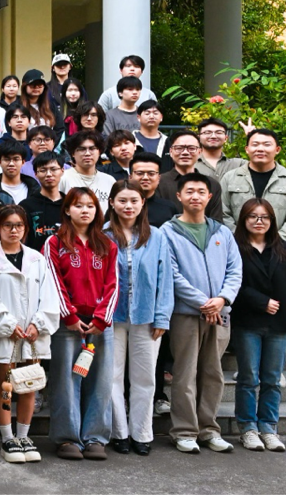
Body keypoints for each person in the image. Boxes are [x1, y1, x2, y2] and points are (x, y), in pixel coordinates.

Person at [161, 173, 242, 454]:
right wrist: (202, 302)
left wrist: (221, 299)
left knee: (213, 373)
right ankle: (184, 431)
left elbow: (235, 270)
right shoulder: (167, 232)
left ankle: (209, 429)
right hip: (186, 314)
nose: (195, 196)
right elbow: (171, 273)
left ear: (209, 197)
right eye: (189, 191)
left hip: (220, 314)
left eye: (200, 191)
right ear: (179, 196)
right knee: (184, 373)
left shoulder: (222, 232)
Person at [0, 203, 59, 464]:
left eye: (19, 226)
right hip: (5, 335)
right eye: (8, 226)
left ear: (25, 229)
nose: (14, 230)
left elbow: (50, 295)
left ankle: (24, 436)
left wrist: (39, 324)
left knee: (29, 384)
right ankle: (7, 438)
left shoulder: (37, 259)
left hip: (33, 335)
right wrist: (7, 324)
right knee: (5, 386)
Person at [44, 187, 119, 461]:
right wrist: (70, 316)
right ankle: (67, 438)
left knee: (101, 381)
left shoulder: (107, 244)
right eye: (78, 205)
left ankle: (95, 437)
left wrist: (102, 318)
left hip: (100, 324)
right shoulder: (54, 242)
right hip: (68, 325)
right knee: (66, 380)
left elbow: (113, 284)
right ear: (67, 210)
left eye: (90, 206)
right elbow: (53, 282)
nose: (84, 210)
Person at [105, 181, 174, 456]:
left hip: (146, 315)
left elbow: (165, 279)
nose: (128, 206)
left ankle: (142, 433)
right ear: (112, 203)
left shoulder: (156, 236)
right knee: (112, 376)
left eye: (134, 200)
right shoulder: (103, 235)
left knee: (145, 378)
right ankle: (119, 432)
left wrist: (162, 317)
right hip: (111, 317)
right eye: (122, 200)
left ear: (142, 203)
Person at [230, 198, 286, 453]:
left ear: (272, 220)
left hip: (278, 321)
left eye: (264, 217)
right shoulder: (235, 247)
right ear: (243, 219)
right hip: (247, 320)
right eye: (253, 216)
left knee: (272, 379)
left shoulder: (285, 249)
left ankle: (269, 428)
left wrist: (275, 302)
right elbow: (232, 283)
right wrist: (261, 302)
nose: (259, 221)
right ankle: (248, 428)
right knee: (248, 377)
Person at [220, 129, 286, 244]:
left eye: (267, 144)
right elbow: (223, 213)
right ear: (247, 149)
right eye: (255, 144)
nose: (260, 149)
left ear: (277, 150)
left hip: (277, 247)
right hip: (238, 246)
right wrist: (239, 241)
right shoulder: (230, 178)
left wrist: (278, 244)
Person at [159, 131, 224, 220]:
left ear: (200, 152)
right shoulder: (159, 182)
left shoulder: (212, 184)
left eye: (191, 148)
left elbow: (216, 221)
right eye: (179, 148)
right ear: (171, 151)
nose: (185, 152)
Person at [59, 131, 116, 212]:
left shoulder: (109, 180)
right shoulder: (63, 178)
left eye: (92, 149)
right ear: (72, 153)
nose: (87, 153)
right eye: (82, 149)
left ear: (99, 152)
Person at [21, 151, 65, 252]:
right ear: (36, 174)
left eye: (53, 169)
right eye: (43, 170)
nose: (49, 174)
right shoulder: (26, 206)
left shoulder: (70, 204)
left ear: (62, 170)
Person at [130, 153, 181, 228]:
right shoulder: (121, 206)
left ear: (159, 178)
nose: (145, 177)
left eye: (151, 173)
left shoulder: (169, 208)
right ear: (130, 177)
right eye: (140, 173)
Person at [0, 141, 37, 206]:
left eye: (16, 159)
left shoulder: (34, 189)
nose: (11, 164)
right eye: (7, 159)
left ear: (23, 162)